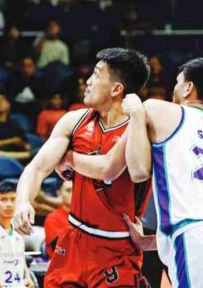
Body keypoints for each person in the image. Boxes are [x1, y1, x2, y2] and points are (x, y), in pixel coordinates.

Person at [57, 57, 203, 287]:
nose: (173, 88)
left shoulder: (159, 109)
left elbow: (135, 171)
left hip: (191, 233)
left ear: (188, 87)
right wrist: (149, 242)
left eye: (177, 82)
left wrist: (67, 158)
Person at [13, 48, 151, 287]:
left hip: (117, 247)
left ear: (116, 89)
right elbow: (36, 168)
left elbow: (110, 168)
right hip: (74, 239)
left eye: (97, 74)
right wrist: (23, 201)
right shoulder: (74, 121)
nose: (87, 81)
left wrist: (68, 158)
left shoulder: (139, 128)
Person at [43, 179, 72, 259]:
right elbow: (61, 249)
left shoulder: (88, 216)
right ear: (59, 193)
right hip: (62, 266)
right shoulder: (52, 218)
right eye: (69, 190)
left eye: (76, 190)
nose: (73, 194)